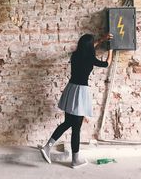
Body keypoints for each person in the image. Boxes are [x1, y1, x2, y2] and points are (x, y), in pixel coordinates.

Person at [40, 33, 113, 168]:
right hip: (80, 92)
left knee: (68, 122)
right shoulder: (90, 58)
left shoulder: (76, 54)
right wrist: (111, 50)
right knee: (76, 127)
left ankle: (47, 147)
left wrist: (101, 39)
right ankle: (75, 160)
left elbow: (88, 48)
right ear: (90, 46)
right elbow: (106, 64)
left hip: (71, 89)